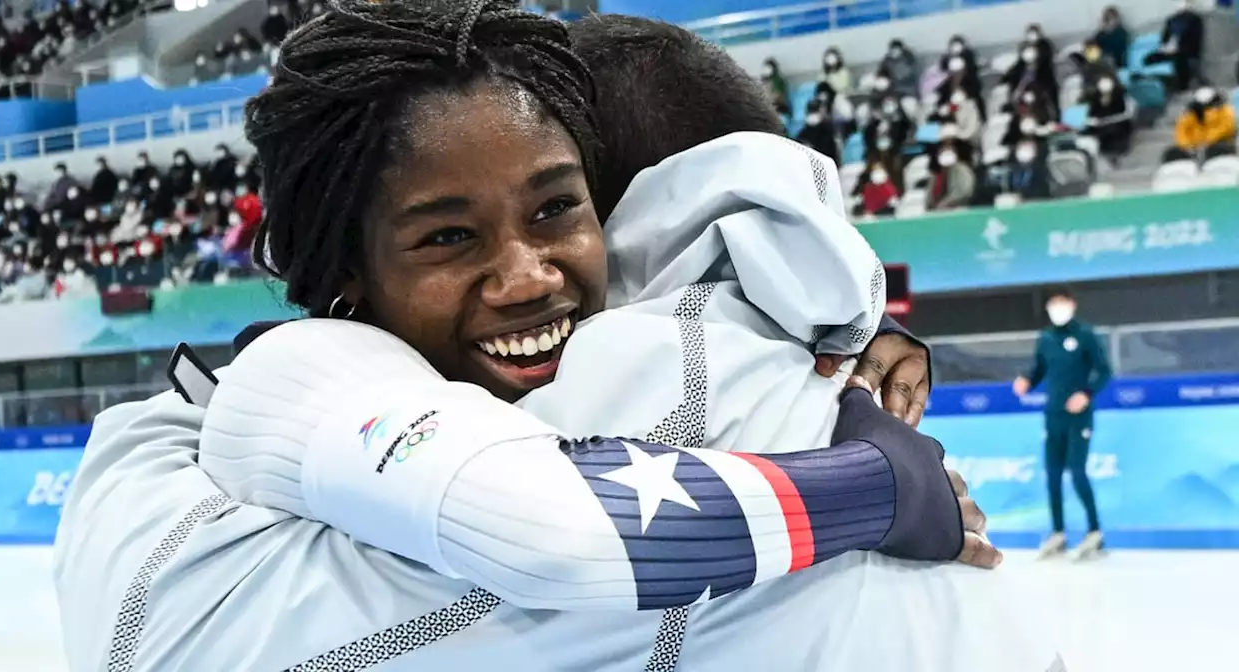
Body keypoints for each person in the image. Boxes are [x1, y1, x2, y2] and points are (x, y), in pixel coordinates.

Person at [55, 4, 1036, 671]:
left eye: (557, 211)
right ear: (346, 266)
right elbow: (557, 534)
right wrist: (877, 485)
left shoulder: (693, 371)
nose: (525, 275)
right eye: (446, 236)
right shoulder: (302, 374)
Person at [1013, 288, 1110, 560]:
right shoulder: (1045, 338)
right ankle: (1058, 533)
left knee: (1077, 470)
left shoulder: (1086, 335)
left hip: (1079, 416)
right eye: (1052, 304)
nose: (1057, 308)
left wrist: (1086, 394)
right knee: (1053, 473)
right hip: (1052, 414)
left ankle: (1095, 532)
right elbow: (1040, 369)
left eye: (1062, 303)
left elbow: (1104, 370)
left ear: (1072, 304)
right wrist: (1027, 381)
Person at [1146, 0, 1204, 93]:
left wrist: (1178, 48)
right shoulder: (1172, 20)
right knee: (1149, 58)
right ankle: (1149, 85)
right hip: (1169, 50)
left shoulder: (1195, 20)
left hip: (1185, 51)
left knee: (1179, 60)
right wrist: (1165, 47)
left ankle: (1182, 88)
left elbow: (1195, 40)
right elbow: (1164, 37)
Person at [1166, 86, 1236, 161]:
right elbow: (1181, 131)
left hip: (1220, 145)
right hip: (1194, 148)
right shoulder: (1190, 114)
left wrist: (1207, 141)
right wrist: (1187, 146)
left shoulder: (1225, 111)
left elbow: (1226, 128)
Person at [1083, 74, 1134, 163]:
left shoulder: (1121, 96)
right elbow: (1089, 114)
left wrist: (1111, 120)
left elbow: (1127, 114)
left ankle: (1115, 152)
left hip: (1119, 122)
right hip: (1100, 123)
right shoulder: (1094, 98)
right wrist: (1091, 121)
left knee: (1114, 129)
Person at [927, 141, 975, 211]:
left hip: (957, 209)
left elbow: (965, 191)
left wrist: (946, 202)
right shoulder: (936, 174)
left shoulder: (962, 169)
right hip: (936, 212)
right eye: (942, 150)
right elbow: (929, 198)